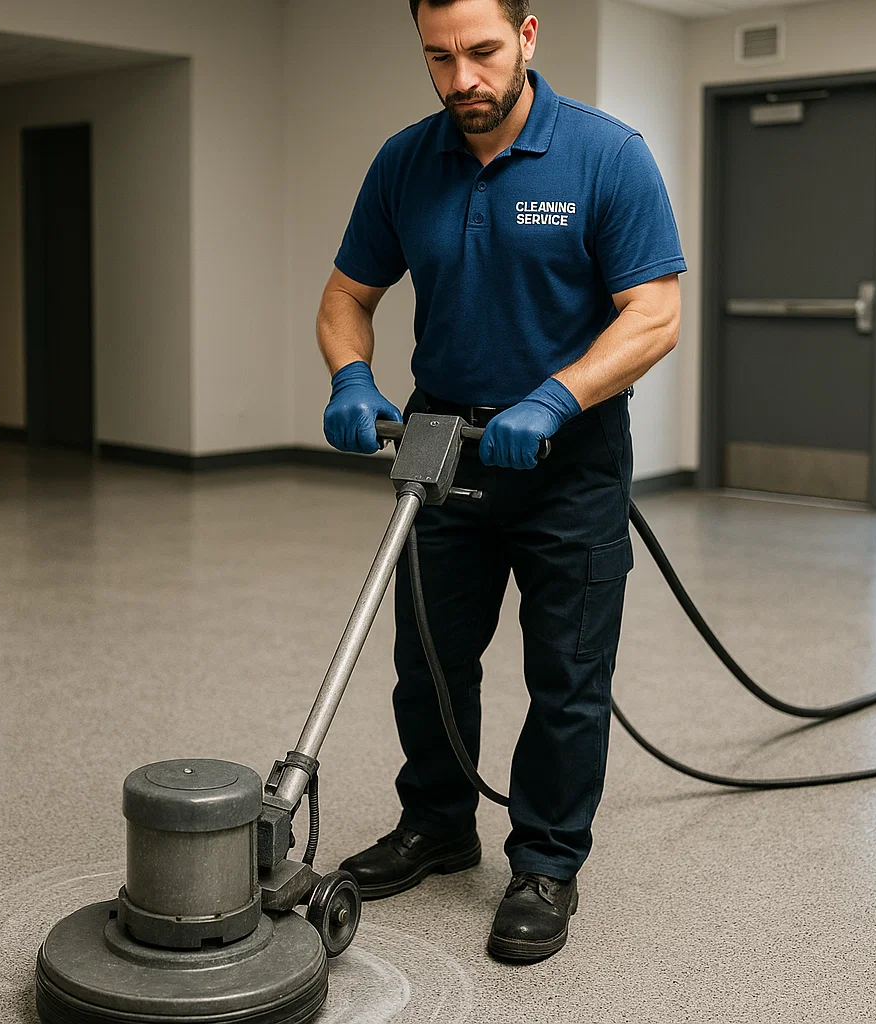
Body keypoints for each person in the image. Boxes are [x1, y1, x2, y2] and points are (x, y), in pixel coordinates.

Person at [317, 0, 685, 963]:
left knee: (567, 675)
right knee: (429, 658)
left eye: (480, 52)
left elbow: (653, 313)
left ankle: (547, 862)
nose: (461, 80)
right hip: (440, 447)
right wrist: (352, 375)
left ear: (528, 35)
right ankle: (438, 826)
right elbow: (349, 295)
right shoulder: (406, 160)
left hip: (568, 460)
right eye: (438, 58)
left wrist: (557, 399)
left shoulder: (607, 155)